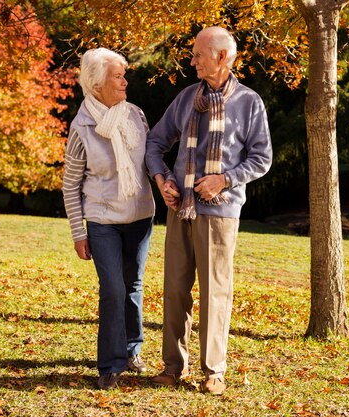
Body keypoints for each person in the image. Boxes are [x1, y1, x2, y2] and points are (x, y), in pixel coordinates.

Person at [145, 26, 272, 395]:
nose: (192, 59)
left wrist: (225, 180)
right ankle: (172, 367)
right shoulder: (186, 98)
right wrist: (162, 178)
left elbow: (261, 158)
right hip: (179, 208)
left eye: (198, 53)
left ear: (221, 57)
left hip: (221, 212)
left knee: (215, 292)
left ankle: (214, 371)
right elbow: (155, 142)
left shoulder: (249, 103)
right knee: (175, 290)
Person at [62, 48, 155, 390]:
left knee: (132, 286)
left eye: (122, 75)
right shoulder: (82, 126)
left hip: (140, 216)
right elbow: (70, 184)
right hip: (102, 220)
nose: (124, 81)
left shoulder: (136, 115)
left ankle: (132, 350)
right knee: (113, 289)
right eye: (117, 76)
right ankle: (111, 364)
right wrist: (77, 232)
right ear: (96, 83)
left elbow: (151, 161)